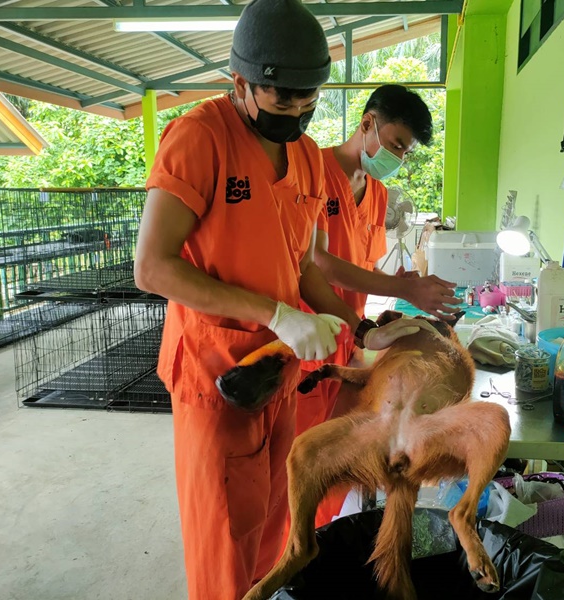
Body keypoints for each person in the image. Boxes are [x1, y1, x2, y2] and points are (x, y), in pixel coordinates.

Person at [134, 1, 429, 598]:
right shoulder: (200, 137)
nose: (295, 110)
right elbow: (151, 266)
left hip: (282, 375)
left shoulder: (303, 156)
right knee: (225, 541)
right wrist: (272, 314)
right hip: (218, 378)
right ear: (240, 82)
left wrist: (359, 325)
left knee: (278, 530)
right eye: (281, 96)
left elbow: (303, 266)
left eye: (308, 98)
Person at [294, 85, 461, 526]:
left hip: (351, 339)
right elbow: (319, 264)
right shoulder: (312, 171)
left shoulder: (378, 195)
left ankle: (324, 544)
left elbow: (360, 267)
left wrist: (399, 286)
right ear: (367, 123)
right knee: (302, 460)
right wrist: (402, 290)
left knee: (340, 459)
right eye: (396, 144)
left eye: (406, 151)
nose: (399, 158)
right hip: (307, 339)